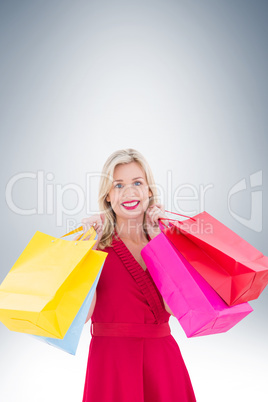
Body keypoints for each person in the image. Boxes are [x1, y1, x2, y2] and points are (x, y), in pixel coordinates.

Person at [75, 148, 196, 402]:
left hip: (162, 363)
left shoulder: (165, 241)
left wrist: (159, 243)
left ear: (149, 190)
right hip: (110, 364)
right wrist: (88, 251)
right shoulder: (95, 246)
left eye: (137, 183)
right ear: (108, 196)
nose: (129, 192)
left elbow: (176, 309)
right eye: (118, 185)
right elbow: (83, 317)